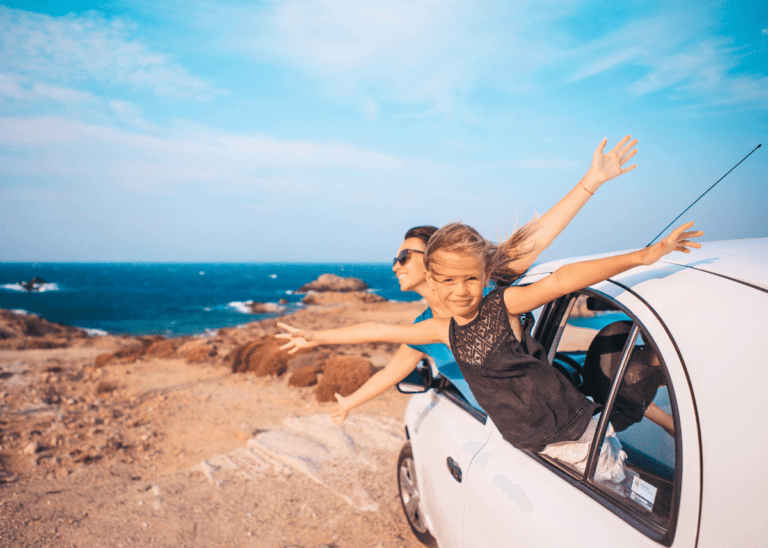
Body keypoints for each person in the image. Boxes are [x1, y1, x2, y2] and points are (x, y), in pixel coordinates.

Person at [276, 220, 702, 470]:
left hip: (575, 436)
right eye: (448, 278)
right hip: (525, 441)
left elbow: (560, 277)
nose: (460, 289)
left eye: (469, 278)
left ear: (481, 275)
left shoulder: (500, 302)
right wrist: (318, 340)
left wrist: (644, 254)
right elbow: (377, 331)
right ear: (435, 276)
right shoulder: (438, 329)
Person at [327, 135, 639, 423]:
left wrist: (592, 179)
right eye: (395, 260)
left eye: (404, 256)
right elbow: (389, 375)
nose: (395, 266)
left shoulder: (490, 288)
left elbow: (538, 237)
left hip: (561, 411)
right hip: (514, 433)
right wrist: (347, 404)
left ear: (434, 260)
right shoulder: (424, 330)